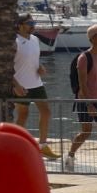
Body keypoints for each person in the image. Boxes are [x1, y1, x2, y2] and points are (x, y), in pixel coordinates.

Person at [65, 25, 97, 173]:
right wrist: (88, 104)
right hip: (85, 100)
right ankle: (70, 156)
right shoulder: (84, 58)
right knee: (86, 131)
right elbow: (82, 83)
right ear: (92, 38)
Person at [12, 13, 56, 156]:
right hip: (21, 85)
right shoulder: (14, 41)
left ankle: (43, 145)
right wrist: (16, 85)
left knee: (46, 112)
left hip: (36, 83)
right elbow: (6, 66)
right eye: (30, 23)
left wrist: (40, 67)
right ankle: (15, 145)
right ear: (20, 25)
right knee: (23, 115)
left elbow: (34, 58)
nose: (33, 26)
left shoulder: (35, 39)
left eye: (33, 23)